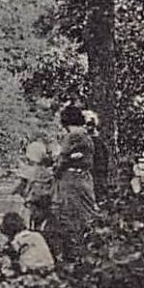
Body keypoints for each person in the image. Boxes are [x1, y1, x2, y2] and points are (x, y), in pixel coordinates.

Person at [49, 105, 98, 261]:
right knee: (86, 212)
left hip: (71, 180)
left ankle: (73, 253)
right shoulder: (86, 135)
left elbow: (62, 158)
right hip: (84, 178)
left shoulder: (72, 136)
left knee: (69, 214)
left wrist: (55, 169)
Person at [11, 141, 54, 230]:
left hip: (31, 206)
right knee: (40, 228)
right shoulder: (49, 172)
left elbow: (15, 189)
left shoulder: (28, 172)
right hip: (46, 206)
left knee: (27, 228)